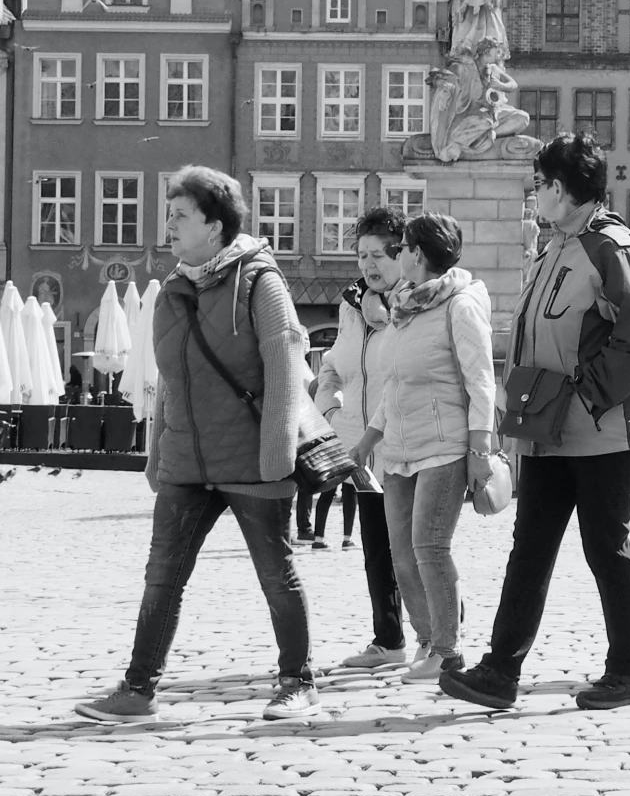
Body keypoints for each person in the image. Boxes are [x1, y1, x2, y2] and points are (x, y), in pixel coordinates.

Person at [76, 166, 321, 724]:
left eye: (181, 214)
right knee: (162, 575)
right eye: (170, 213)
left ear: (214, 225)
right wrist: (158, 452)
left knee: (275, 573)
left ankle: (297, 682)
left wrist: (277, 458)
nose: (170, 223)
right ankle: (138, 689)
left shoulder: (261, 283)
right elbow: (169, 380)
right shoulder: (173, 290)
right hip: (188, 462)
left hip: (252, 460)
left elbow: (285, 368)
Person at [441, 134, 630, 713]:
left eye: (539, 183)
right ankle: (500, 670)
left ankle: (628, 670)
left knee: (605, 549)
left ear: (561, 190)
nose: (534, 193)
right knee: (530, 549)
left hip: (602, 435)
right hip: (546, 432)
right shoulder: (556, 246)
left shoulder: (607, 248)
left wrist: (587, 397)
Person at [351, 213, 497, 684]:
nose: (397, 256)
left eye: (402, 248)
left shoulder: (460, 305)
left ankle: (449, 651)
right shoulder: (405, 306)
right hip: (398, 450)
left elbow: (481, 380)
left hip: (444, 447)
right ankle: (428, 640)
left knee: (430, 547)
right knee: (402, 553)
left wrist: (479, 450)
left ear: (416, 253)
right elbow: (393, 383)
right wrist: (368, 440)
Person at [314, 209, 409, 671]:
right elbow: (333, 364)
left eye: (378, 254)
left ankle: (441, 632)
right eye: (362, 255)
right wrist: (333, 411)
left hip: (407, 442)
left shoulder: (415, 301)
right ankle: (388, 640)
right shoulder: (350, 305)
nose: (369, 265)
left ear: (402, 253)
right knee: (375, 547)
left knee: (415, 548)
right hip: (360, 447)